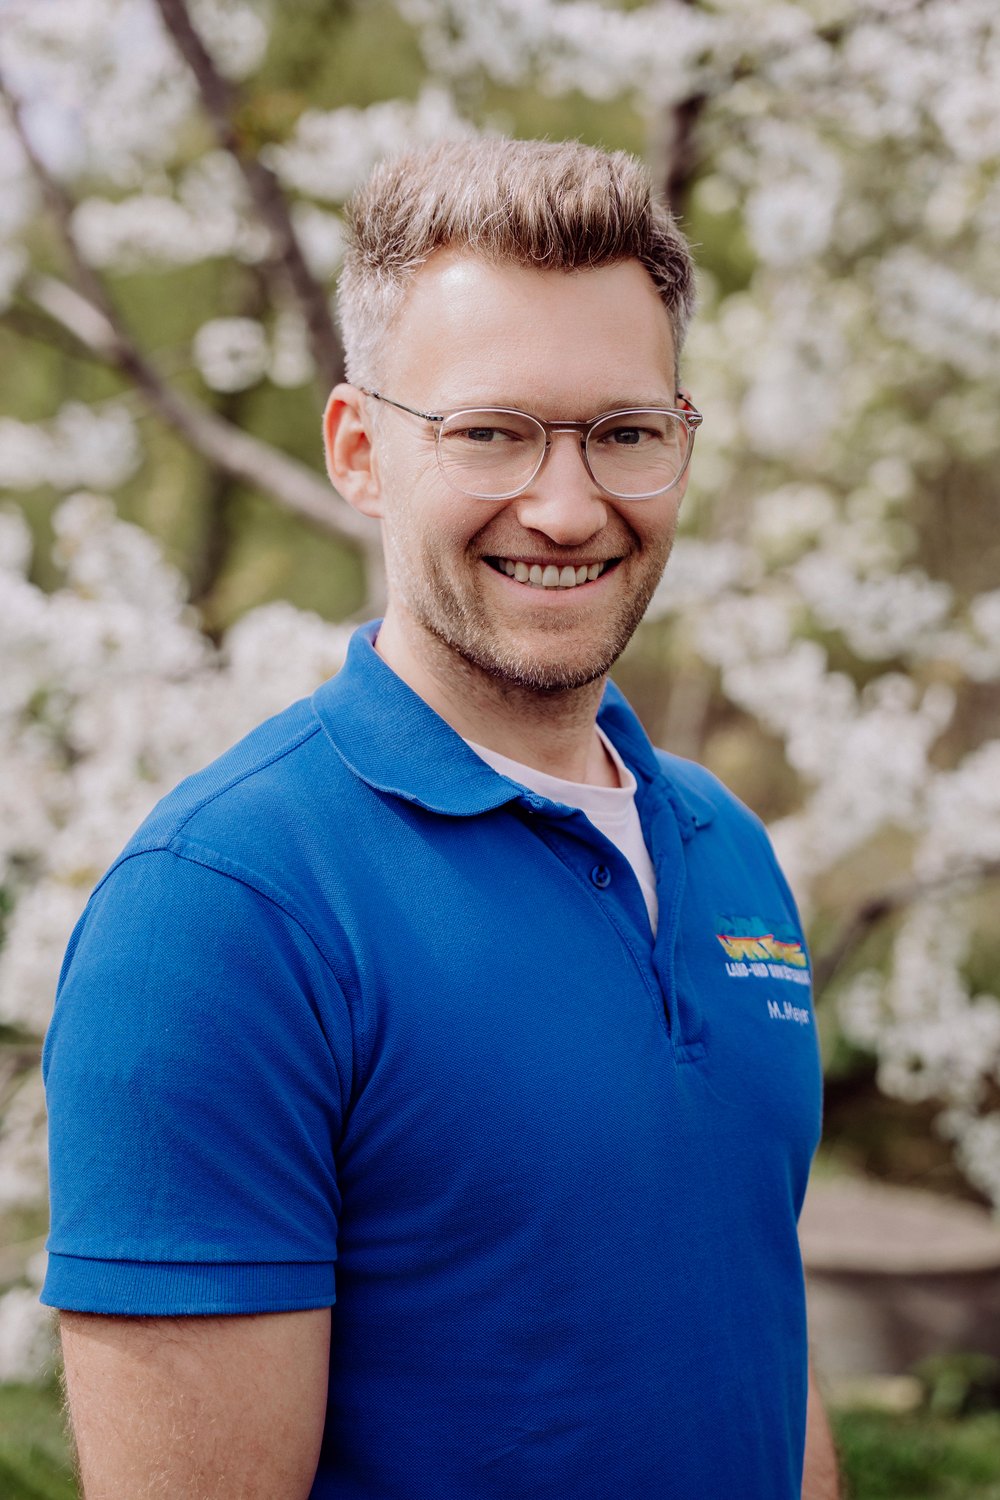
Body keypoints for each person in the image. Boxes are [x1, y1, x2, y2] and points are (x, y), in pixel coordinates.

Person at [42, 138, 839, 1498]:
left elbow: (756, 1342)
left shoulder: (728, 846)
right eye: (492, 432)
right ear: (360, 450)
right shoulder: (220, 913)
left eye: (625, 432)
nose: (568, 503)